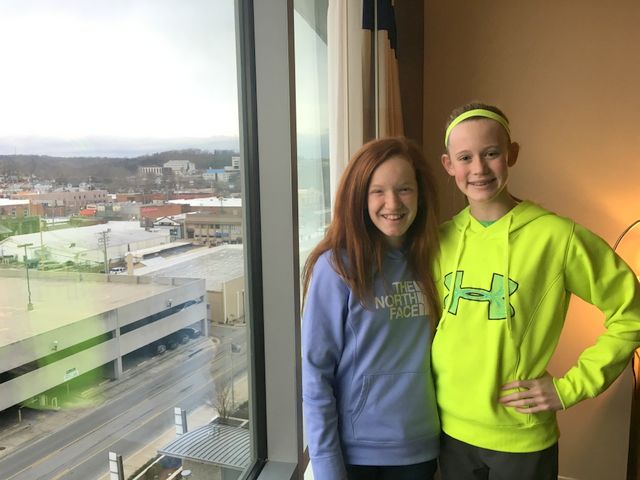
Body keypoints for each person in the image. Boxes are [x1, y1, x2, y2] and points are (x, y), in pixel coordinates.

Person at [432, 101, 640, 479]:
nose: (478, 168)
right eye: (465, 157)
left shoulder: (557, 237)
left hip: (521, 437)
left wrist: (570, 388)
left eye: (491, 153)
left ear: (511, 154)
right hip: (449, 430)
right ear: (449, 165)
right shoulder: (441, 239)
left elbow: (632, 313)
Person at [302, 136, 441, 480]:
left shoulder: (434, 259)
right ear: (358, 198)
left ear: (420, 194)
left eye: (404, 189)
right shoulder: (337, 267)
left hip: (422, 445)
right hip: (358, 452)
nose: (392, 203)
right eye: (377, 191)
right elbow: (316, 374)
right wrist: (326, 465)